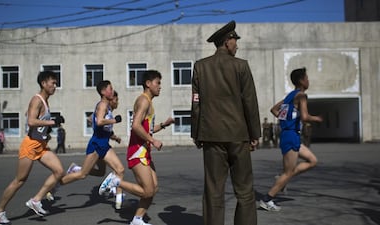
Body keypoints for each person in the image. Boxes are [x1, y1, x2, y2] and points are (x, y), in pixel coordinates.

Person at [191, 21, 261, 225]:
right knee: (245, 190)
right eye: (235, 40)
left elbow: (196, 103)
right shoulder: (241, 66)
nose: (237, 45)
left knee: (213, 190)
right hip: (239, 136)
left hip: (211, 136)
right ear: (227, 41)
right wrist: (254, 134)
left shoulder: (200, 67)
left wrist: (196, 133)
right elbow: (250, 102)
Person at [99, 70, 175, 225]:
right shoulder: (144, 100)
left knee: (153, 188)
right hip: (137, 152)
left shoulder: (148, 101)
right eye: (157, 83)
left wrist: (164, 125)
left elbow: (146, 129)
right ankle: (115, 182)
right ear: (148, 84)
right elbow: (135, 126)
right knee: (148, 190)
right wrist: (153, 140)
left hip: (144, 151)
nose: (160, 86)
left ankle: (137, 219)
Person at [0, 71, 65, 225]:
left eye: (56, 83)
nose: (55, 86)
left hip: (41, 145)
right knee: (20, 180)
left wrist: (47, 131)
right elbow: (31, 121)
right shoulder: (36, 100)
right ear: (44, 83)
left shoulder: (44, 101)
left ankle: (36, 200)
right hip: (30, 145)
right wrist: (51, 122)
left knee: (59, 171)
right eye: (53, 83)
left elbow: (33, 119)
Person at [259, 67, 323, 211]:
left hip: (291, 135)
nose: (308, 81)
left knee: (312, 161)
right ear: (301, 81)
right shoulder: (301, 96)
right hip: (291, 135)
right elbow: (305, 116)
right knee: (288, 172)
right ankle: (267, 199)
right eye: (307, 78)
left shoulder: (290, 96)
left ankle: (282, 179)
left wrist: (286, 119)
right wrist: (316, 118)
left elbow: (274, 109)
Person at [57, 81, 125, 209]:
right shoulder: (103, 105)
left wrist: (113, 136)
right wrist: (114, 120)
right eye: (110, 89)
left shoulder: (106, 107)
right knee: (83, 174)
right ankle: (56, 184)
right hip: (97, 144)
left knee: (115, 170)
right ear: (103, 92)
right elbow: (99, 122)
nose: (112, 91)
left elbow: (93, 120)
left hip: (104, 144)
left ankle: (119, 200)